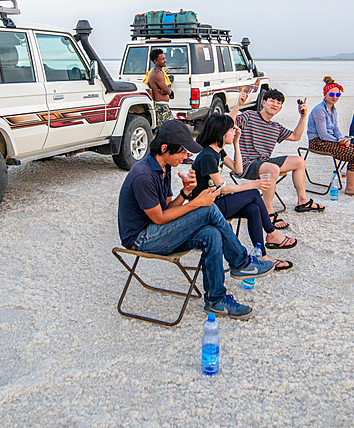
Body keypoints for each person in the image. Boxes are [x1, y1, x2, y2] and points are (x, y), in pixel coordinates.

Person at [117, 120, 275, 320]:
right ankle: (241, 262)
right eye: (182, 152)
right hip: (142, 238)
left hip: (158, 231)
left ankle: (216, 300)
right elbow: (159, 218)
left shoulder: (163, 168)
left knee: (212, 234)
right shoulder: (143, 175)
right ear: (165, 148)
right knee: (207, 209)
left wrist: (185, 193)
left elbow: (167, 208)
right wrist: (195, 202)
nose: (186, 157)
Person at [193, 115, 296, 269]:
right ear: (220, 133)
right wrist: (254, 185)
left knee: (253, 209)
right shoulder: (207, 156)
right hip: (206, 208)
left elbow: (238, 169)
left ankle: (263, 255)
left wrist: (236, 144)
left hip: (215, 203)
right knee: (253, 193)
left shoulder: (217, 152)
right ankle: (272, 233)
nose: (235, 131)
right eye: (231, 130)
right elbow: (223, 189)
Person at [229, 88, 326, 218]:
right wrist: (239, 104)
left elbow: (296, 136)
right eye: (272, 100)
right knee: (273, 168)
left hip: (264, 163)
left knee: (299, 161)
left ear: (280, 108)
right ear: (264, 103)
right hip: (246, 164)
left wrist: (303, 117)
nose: (275, 104)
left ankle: (303, 200)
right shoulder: (249, 116)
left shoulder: (276, 127)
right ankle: (267, 211)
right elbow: (228, 123)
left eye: (279, 102)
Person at [306, 77, 354, 197]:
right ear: (325, 95)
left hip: (330, 140)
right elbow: (323, 134)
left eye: (337, 94)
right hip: (318, 142)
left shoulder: (333, 109)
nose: (335, 96)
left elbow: (335, 129)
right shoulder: (319, 110)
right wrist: (338, 141)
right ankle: (350, 188)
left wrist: (342, 139)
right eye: (331, 94)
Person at [147, 48, 172, 128]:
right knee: (167, 129)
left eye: (164, 58)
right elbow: (168, 91)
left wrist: (166, 89)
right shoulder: (156, 74)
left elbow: (167, 89)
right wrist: (167, 90)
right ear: (155, 61)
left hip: (164, 105)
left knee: (168, 129)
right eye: (162, 59)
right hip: (160, 106)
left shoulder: (160, 72)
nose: (165, 61)